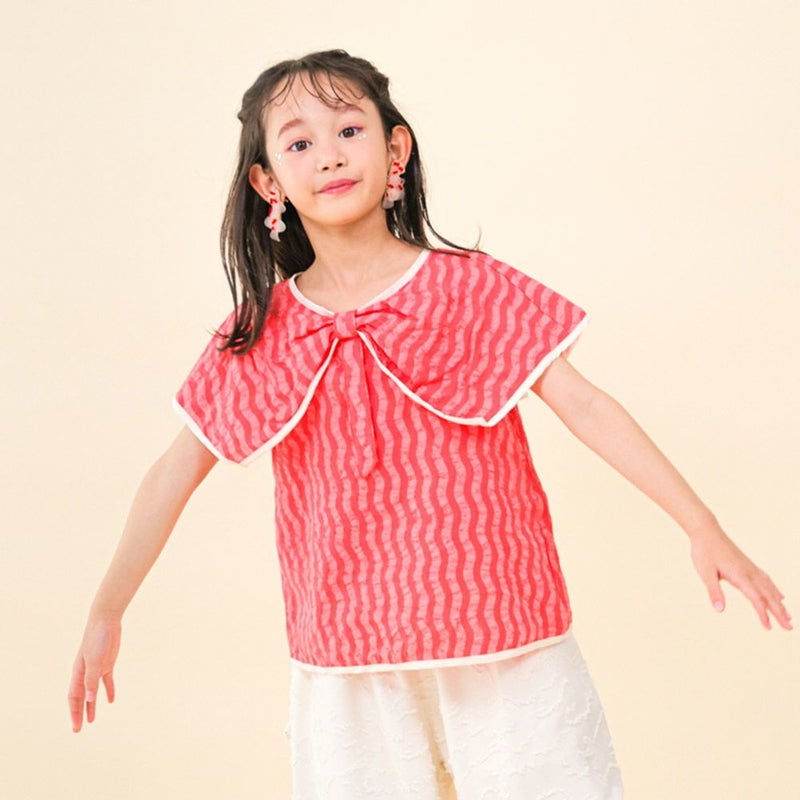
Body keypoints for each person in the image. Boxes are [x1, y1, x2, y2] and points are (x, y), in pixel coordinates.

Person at [68, 49, 792, 799]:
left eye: (349, 130)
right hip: (350, 654)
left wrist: (701, 526)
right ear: (267, 182)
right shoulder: (263, 330)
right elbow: (175, 469)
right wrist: (107, 609)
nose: (329, 155)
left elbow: (585, 405)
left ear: (396, 148)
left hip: (501, 634)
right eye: (299, 142)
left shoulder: (470, 288)